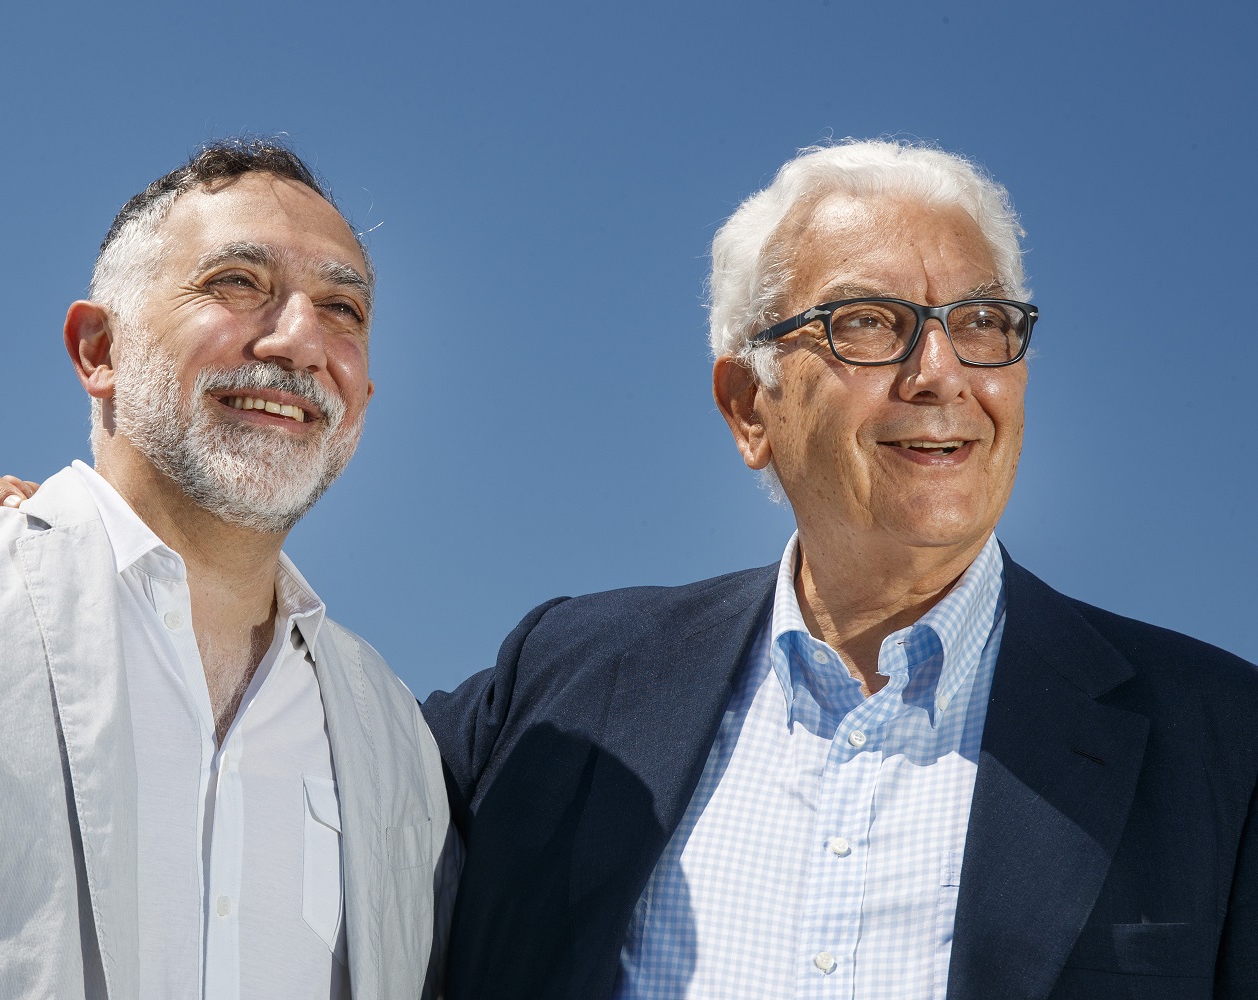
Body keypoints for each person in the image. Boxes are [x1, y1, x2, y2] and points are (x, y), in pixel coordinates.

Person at [420, 142, 1258, 998]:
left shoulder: (1226, 741)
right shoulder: (570, 681)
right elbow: (321, 782)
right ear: (750, 406)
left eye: (980, 324)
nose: (940, 375)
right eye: (867, 323)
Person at [0, 138, 450, 1000]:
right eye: (239, 283)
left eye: (343, 308)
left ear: (362, 399)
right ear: (98, 350)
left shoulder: (397, 742)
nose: (302, 340)